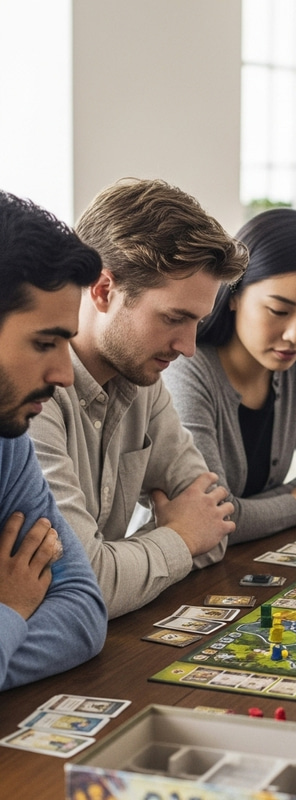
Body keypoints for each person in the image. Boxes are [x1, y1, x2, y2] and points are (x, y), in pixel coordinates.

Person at [29, 178, 248, 619]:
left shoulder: (144, 381)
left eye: (197, 322)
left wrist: (139, 559)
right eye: (174, 317)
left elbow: (216, 522)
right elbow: (88, 586)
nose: (188, 346)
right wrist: (181, 536)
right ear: (103, 289)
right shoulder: (33, 397)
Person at [162, 208, 296, 541]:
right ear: (234, 293)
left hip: (250, 558)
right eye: (279, 311)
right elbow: (211, 522)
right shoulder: (186, 368)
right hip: (185, 573)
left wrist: (246, 512)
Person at [0, 191, 106, 689]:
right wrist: (11, 608)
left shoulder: (8, 440)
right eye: (45, 343)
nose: (65, 373)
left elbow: (84, 611)